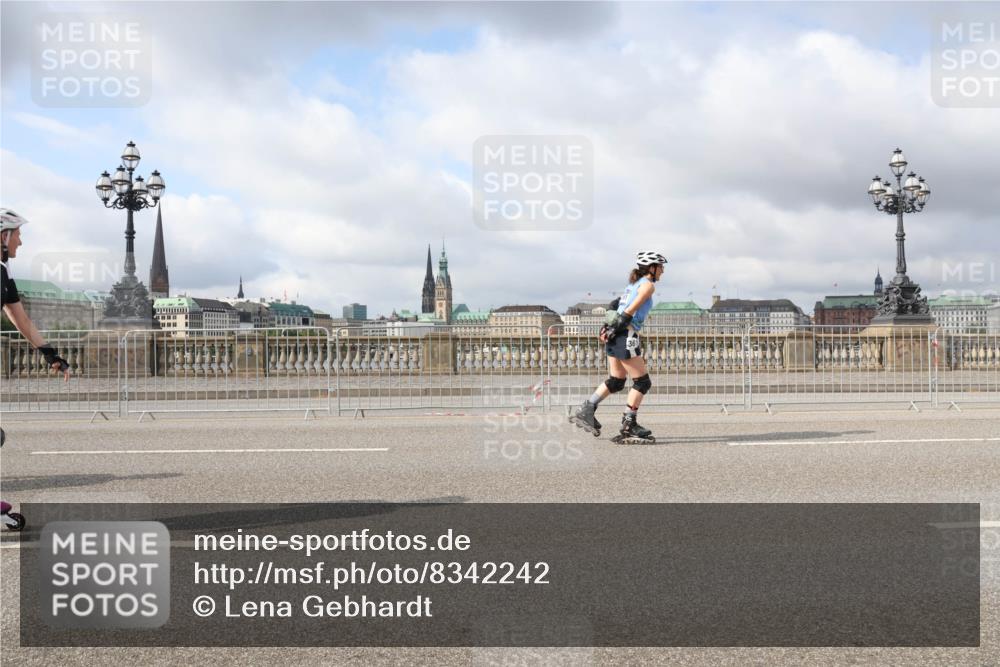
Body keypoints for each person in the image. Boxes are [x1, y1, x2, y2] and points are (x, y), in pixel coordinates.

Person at [1, 208, 70, 530]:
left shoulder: (3, 273)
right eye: (17, 235)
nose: (21, 242)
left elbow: (21, 319)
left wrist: (50, 354)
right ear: (3, 237)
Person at [570, 251, 666, 444]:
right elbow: (630, 310)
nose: (663, 271)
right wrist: (618, 327)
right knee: (642, 382)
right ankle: (629, 424)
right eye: (661, 267)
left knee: (616, 381)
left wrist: (608, 327)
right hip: (625, 334)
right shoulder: (647, 285)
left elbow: (615, 305)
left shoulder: (632, 285)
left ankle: (587, 409)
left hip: (615, 333)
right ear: (652, 268)